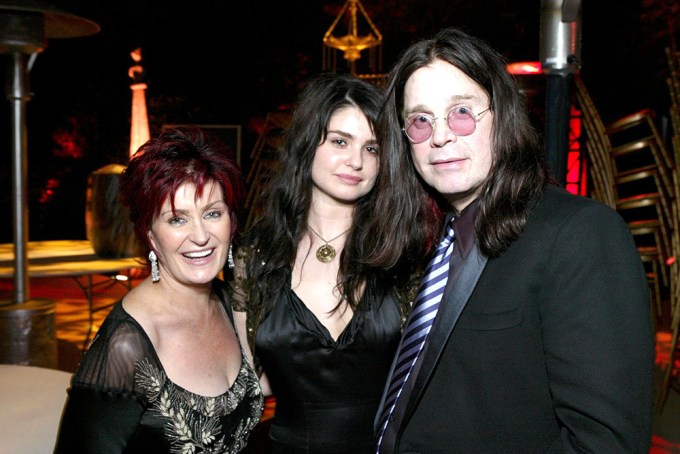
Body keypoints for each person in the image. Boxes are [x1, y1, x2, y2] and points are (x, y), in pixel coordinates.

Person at [373, 27, 654, 453]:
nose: (442, 136)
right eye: (420, 120)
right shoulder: (432, 243)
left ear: (501, 116)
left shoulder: (579, 234)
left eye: (462, 112)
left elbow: (604, 443)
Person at [230, 73, 428, 453]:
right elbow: (250, 381)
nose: (356, 161)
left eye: (372, 148)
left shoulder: (404, 251)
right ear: (307, 144)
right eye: (340, 141)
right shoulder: (257, 254)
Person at [54, 127, 264, 453]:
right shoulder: (126, 346)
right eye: (177, 220)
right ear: (150, 236)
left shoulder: (232, 304)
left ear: (231, 223)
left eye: (212, 214)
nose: (200, 236)